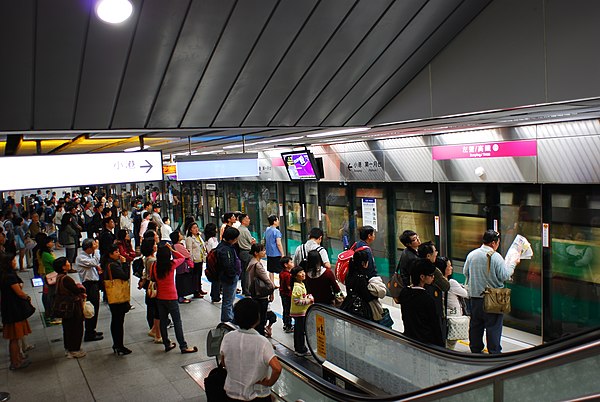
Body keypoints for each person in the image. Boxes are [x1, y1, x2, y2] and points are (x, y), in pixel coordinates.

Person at [464, 230, 518, 354]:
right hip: (494, 297)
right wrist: (513, 265)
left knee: (476, 325)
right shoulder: (495, 256)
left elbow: (465, 272)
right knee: (493, 326)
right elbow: (504, 275)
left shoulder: (472, 254)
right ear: (494, 243)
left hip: (475, 297)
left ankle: (475, 349)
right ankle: (494, 352)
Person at [220, 298, 282, 401]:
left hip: (231, 393)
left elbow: (223, 362)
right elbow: (277, 368)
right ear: (257, 318)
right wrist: (269, 382)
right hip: (258, 395)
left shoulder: (228, 337)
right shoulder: (262, 342)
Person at [154, 243, 198, 354]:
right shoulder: (171, 264)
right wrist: (171, 249)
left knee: (163, 321)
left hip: (160, 297)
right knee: (177, 321)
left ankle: (166, 344)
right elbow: (182, 258)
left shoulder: (154, 265)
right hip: (171, 297)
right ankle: (183, 346)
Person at [398, 259, 445, 347]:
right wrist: (441, 345)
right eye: (431, 275)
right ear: (422, 277)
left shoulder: (404, 293)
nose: (433, 277)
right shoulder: (427, 299)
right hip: (426, 342)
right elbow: (434, 325)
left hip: (409, 338)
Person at [0, 253, 33, 370]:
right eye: (14, 261)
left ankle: (18, 358)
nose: (15, 262)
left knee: (15, 337)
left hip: (9, 308)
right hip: (14, 309)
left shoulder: (5, 275)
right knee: (15, 337)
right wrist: (27, 297)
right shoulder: (10, 276)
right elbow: (19, 292)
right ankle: (16, 362)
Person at [344, 250, 392, 327]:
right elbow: (367, 297)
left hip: (351, 307)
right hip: (363, 311)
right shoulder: (361, 278)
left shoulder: (349, 274)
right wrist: (376, 294)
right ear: (363, 263)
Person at [101, 244, 132, 355]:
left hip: (113, 297)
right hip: (117, 296)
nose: (118, 254)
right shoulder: (113, 265)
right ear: (110, 254)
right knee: (118, 321)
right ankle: (119, 345)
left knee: (116, 320)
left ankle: (117, 344)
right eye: (116, 252)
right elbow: (124, 276)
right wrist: (125, 264)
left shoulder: (107, 263)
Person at [53, 257, 87, 358]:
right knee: (76, 328)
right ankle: (74, 349)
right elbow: (76, 291)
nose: (69, 263)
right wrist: (80, 289)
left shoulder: (59, 277)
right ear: (63, 267)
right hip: (72, 306)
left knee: (68, 328)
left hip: (65, 307)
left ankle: (69, 347)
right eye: (67, 262)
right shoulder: (66, 278)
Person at [75, 238, 104, 342]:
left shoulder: (88, 256)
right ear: (88, 248)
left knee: (95, 308)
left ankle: (92, 330)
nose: (95, 247)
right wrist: (97, 251)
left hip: (94, 284)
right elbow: (95, 262)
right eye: (93, 245)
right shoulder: (81, 258)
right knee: (91, 308)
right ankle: (89, 333)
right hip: (89, 285)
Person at [246, 243, 275, 336]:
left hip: (255, 292)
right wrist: (272, 289)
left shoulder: (252, 262)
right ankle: (261, 336)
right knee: (262, 318)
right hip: (261, 295)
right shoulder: (257, 265)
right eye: (262, 250)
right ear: (256, 253)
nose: (264, 252)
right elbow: (267, 280)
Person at [215, 227, 241, 323]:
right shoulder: (225, 250)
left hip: (228, 277)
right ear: (231, 239)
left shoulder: (224, 246)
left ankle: (228, 316)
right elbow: (228, 265)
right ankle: (227, 319)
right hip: (229, 278)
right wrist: (233, 275)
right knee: (228, 300)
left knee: (229, 299)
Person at [140, 238, 161, 343]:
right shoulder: (152, 260)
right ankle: (156, 331)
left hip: (149, 283)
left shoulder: (146, 258)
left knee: (152, 307)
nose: (156, 245)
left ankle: (154, 329)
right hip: (154, 284)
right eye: (155, 244)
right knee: (156, 308)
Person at [444, 258, 469, 349]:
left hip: (446, 315)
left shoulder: (440, 282)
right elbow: (466, 294)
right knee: (450, 344)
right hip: (454, 316)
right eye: (449, 266)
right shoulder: (451, 282)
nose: (451, 268)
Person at [290, 266, 314, 356]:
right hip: (299, 313)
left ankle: (300, 348)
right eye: (300, 272)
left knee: (299, 331)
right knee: (299, 332)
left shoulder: (301, 284)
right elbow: (297, 301)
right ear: (296, 276)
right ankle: (300, 349)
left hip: (301, 312)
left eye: (303, 271)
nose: (303, 273)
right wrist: (308, 300)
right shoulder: (297, 287)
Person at [185, 222, 207, 299]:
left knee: (199, 275)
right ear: (190, 230)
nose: (196, 229)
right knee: (195, 276)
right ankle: (195, 291)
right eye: (194, 228)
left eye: (197, 227)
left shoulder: (199, 237)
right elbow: (189, 251)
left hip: (200, 258)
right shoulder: (189, 239)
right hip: (194, 260)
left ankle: (199, 289)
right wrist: (191, 260)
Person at [171, 230, 194, 303]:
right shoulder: (178, 246)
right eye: (179, 234)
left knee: (180, 281)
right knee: (182, 282)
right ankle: (181, 297)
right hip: (182, 266)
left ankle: (180, 296)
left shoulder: (175, 245)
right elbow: (187, 255)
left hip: (179, 267)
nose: (181, 235)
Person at [237, 213, 256, 296]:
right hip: (247, 252)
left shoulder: (239, 229)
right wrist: (253, 241)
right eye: (247, 218)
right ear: (243, 221)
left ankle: (244, 289)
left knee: (244, 272)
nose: (249, 220)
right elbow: (251, 242)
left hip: (241, 252)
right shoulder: (245, 230)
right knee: (247, 273)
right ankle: (247, 290)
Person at [264, 215, 284, 283]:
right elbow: (278, 243)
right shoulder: (276, 231)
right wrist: (282, 254)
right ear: (274, 221)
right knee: (280, 270)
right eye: (277, 220)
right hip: (276, 254)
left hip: (269, 253)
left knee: (271, 270)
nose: (278, 222)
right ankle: (281, 284)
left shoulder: (267, 230)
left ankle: (272, 284)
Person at [279, 256, 294, 333]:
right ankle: (288, 325)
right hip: (287, 295)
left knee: (285, 309)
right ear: (286, 264)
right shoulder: (288, 275)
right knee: (288, 310)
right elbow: (289, 286)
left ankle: (285, 324)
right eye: (291, 262)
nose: (292, 263)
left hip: (282, 293)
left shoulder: (282, 273)